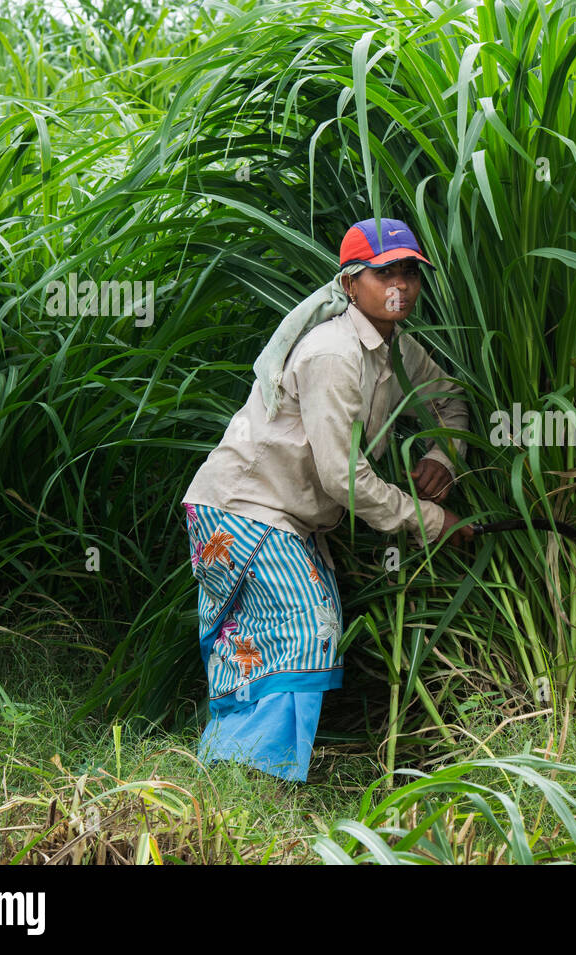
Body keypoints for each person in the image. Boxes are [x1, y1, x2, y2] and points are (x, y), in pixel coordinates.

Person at [180, 216, 473, 783]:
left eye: (410, 271)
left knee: (267, 639)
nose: (401, 285)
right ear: (349, 285)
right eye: (384, 271)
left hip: (277, 516)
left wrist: (442, 457)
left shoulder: (397, 348)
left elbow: (449, 402)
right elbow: (342, 477)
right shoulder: (334, 353)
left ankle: (232, 775)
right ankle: (252, 776)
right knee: (304, 627)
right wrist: (432, 520)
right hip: (244, 507)